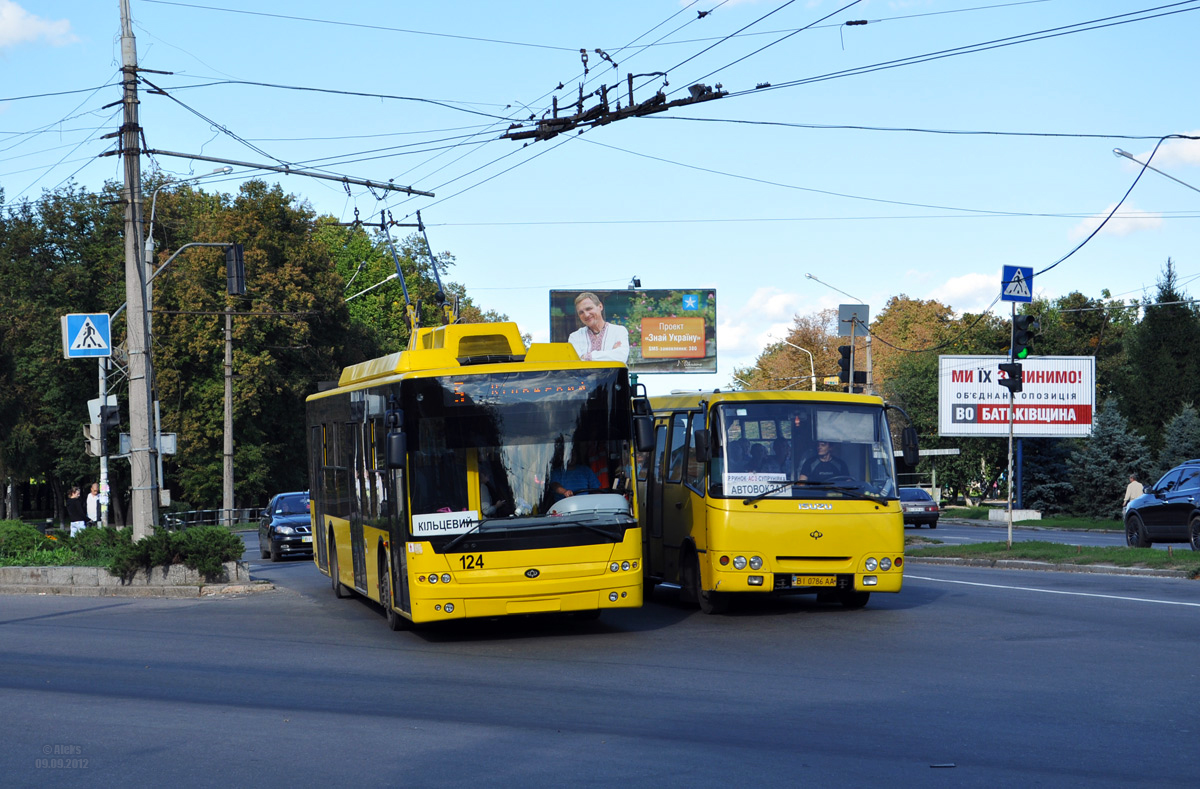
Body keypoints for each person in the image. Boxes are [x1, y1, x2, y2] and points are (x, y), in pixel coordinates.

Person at [567, 292, 630, 363]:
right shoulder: (575, 337)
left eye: (589, 309)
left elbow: (621, 357)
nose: (586, 315)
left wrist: (587, 357)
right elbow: (576, 364)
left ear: (600, 306)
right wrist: (610, 354)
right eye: (581, 312)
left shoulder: (619, 331)